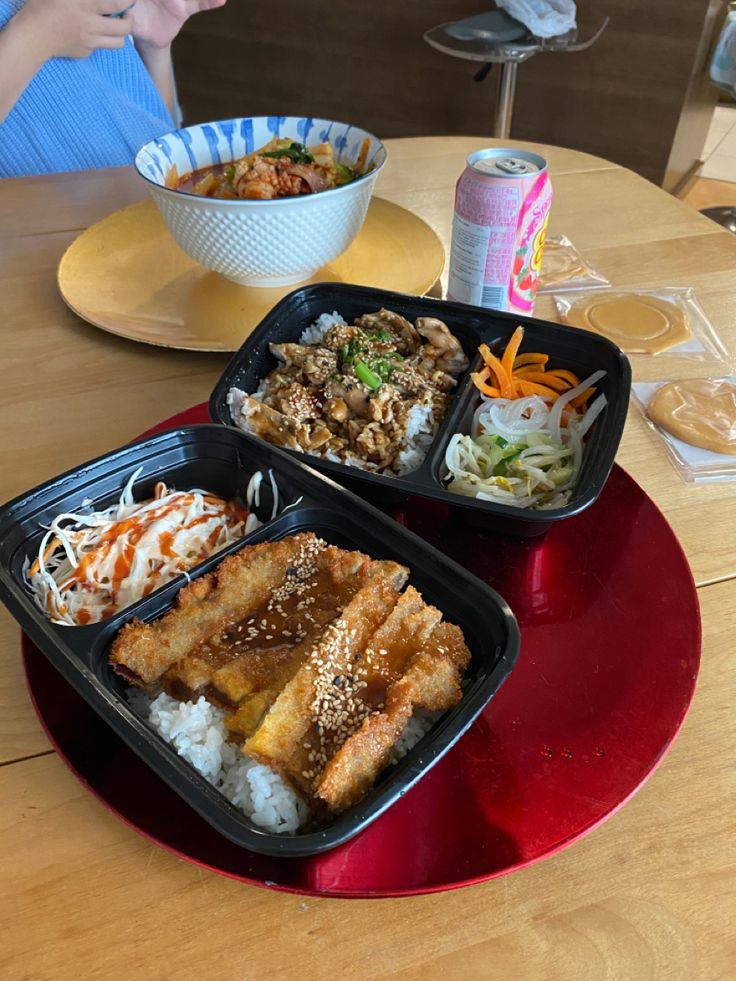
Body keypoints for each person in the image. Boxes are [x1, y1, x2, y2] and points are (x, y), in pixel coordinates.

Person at [0, 0, 226, 177]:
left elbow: (156, 142)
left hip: (149, 217)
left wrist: (154, 48)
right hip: (62, 229)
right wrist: (35, 34)